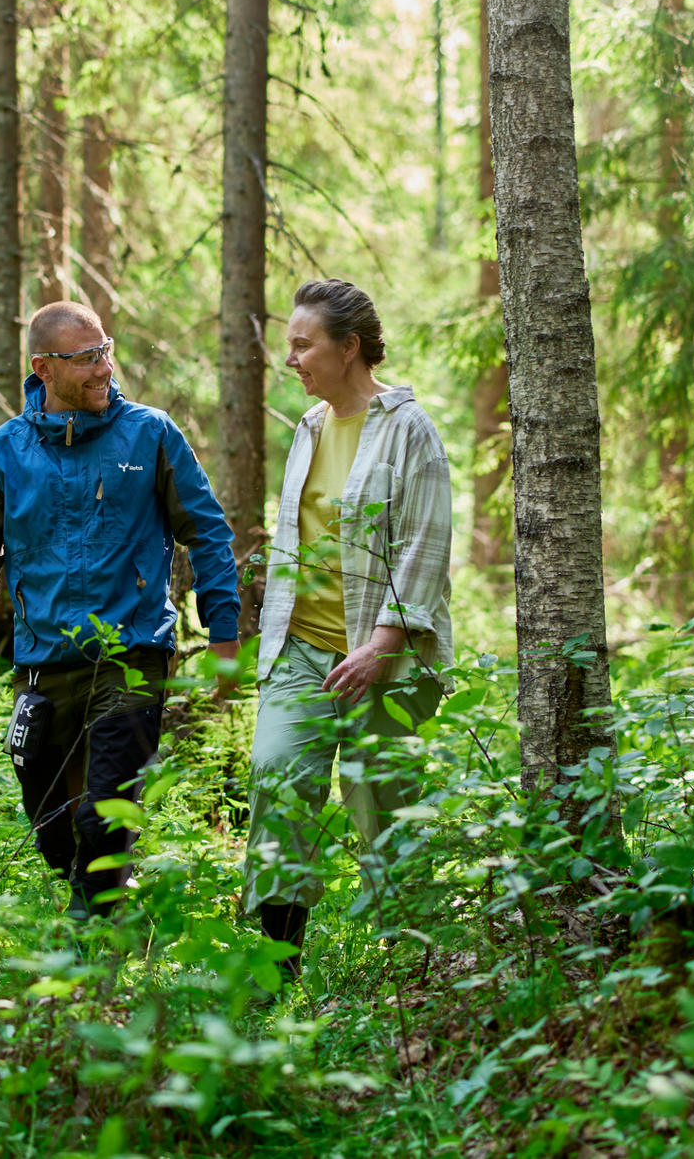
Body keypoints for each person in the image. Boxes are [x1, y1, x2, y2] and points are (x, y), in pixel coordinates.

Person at [0, 301, 242, 919]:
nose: (105, 368)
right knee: (53, 826)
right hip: (42, 662)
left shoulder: (151, 434)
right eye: (86, 359)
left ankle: (87, 959)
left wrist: (224, 634)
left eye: (106, 351)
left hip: (132, 653)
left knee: (106, 812)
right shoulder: (4, 451)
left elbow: (206, 532)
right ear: (43, 368)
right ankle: (100, 905)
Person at [245, 278, 454, 977]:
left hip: (382, 657)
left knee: (382, 803)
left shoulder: (408, 430)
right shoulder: (307, 430)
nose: (291, 359)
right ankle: (279, 969)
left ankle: (414, 973)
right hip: (302, 648)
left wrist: (381, 646)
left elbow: (426, 544)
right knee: (277, 777)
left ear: (350, 347)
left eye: (303, 345)